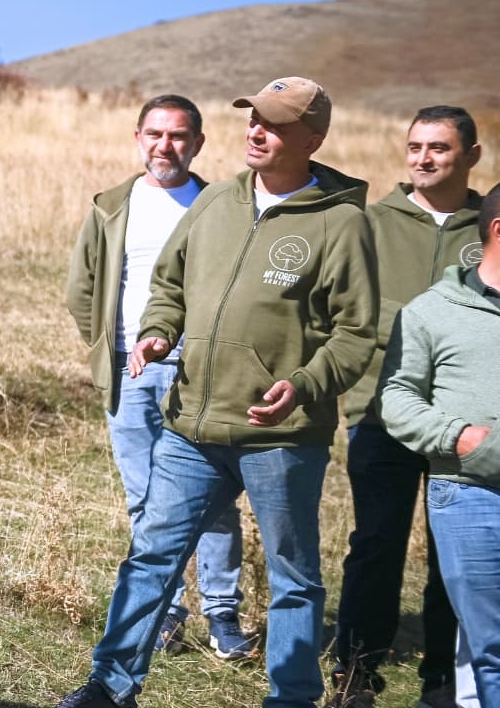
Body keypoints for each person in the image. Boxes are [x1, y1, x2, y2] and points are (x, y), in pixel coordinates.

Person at [56, 77, 378, 708]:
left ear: (313, 140)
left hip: (280, 436)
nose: (257, 131)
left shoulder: (340, 223)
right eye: (254, 119)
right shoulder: (215, 201)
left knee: (293, 577)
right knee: (151, 556)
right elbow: (169, 286)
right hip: (190, 427)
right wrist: (158, 332)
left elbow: (355, 333)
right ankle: (110, 687)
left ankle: (291, 697)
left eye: (275, 124)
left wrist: (304, 385)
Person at [66, 95, 249, 656]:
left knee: (212, 497)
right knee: (144, 497)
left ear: (197, 143)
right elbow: (82, 288)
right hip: (131, 370)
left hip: (200, 373)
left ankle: (222, 613)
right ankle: (164, 613)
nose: (164, 146)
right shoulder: (110, 206)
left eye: (177, 136)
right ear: (138, 137)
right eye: (154, 134)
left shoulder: (223, 206)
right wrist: (110, 348)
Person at [331, 107, 484, 707]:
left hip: (466, 420)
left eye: (439, 148)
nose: (423, 158)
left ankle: (443, 683)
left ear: (471, 155)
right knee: (375, 542)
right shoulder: (372, 223)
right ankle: (355, 676)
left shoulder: (488, 228)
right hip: (380, 410)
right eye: (416, 146)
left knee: (455, 552)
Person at [380, 186, 500, 708]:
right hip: (468, 494)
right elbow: (397, 398)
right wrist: (460, 437)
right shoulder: (431, 312)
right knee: (492, 645)